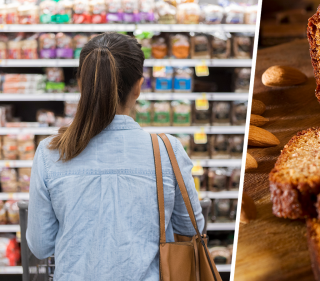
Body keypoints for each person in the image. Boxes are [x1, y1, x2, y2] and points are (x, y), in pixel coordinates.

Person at [26, 32, 204, 281]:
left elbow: (40, 245)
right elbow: (191, 227)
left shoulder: (50, 152)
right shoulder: (167, 149)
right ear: (139, 87)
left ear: (81, 85)